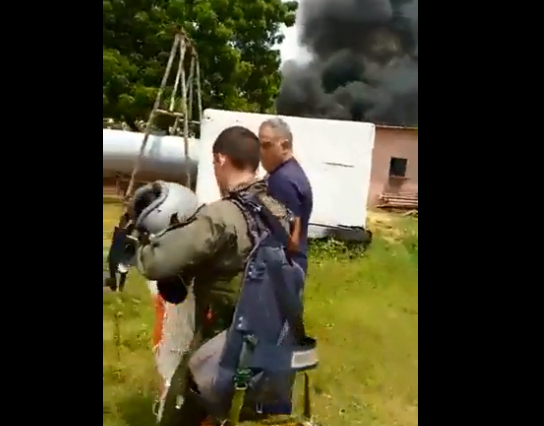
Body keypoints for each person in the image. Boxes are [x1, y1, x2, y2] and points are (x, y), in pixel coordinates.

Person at [132, 126, 301, 426]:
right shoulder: (279, 212)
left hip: (223, 343)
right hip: (273, 340)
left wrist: (140, 240)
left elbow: (155, 264)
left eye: (213, 163)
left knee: (182, 414)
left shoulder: (220, 216)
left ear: (221, 159)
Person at [258, 118, 313, 275]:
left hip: (283, 269)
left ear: (285, 146)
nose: (261, 152)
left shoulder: (282, 180)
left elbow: (288, 237)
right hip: (292, 267)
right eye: (259, 145)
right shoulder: (290, 173)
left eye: (266, 145)